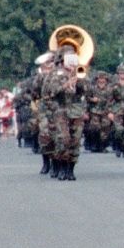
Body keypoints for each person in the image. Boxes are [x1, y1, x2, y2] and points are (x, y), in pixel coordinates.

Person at [43, 41, 89, 180]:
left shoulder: (79, 72)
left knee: (75, 140)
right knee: (63, 139)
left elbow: (86, 91)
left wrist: (79, 79)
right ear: (62, 59)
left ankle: (71, 169)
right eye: (67, 57)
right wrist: (65, 85)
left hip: (76, 110)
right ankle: (61, 166)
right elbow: (50, 92)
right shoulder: (56, 74)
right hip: (60, 110)